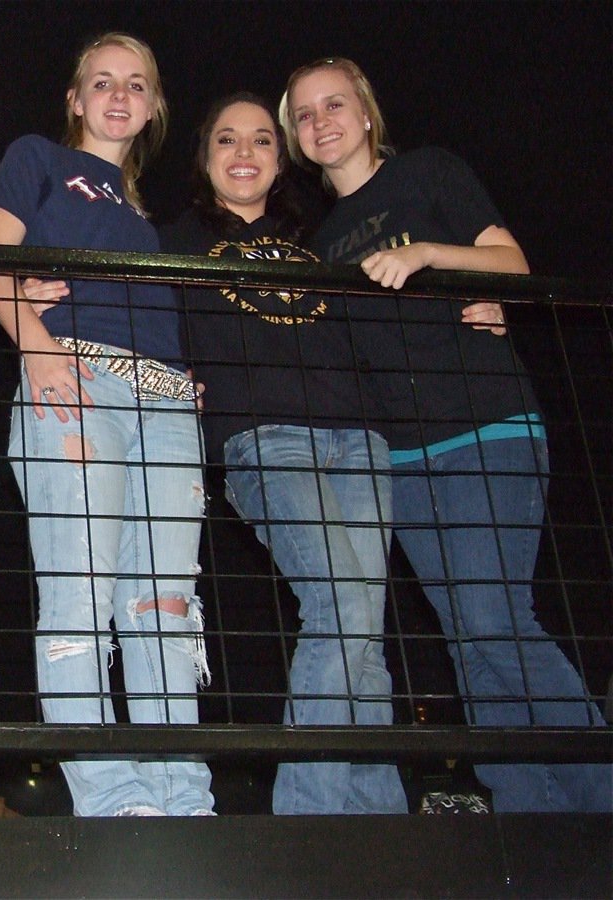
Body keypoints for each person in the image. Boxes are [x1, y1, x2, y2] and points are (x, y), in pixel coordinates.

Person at [281, 56, 612, 813]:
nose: (321, 121)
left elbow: (512, 262)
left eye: (334, 104)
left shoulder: (429, 172)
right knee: (466, 637)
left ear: (366, 114)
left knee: (497, 619)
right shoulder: (322, 238)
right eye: (304, 114)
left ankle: (600, 792)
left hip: (485, 426)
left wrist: (430, 256)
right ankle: (531, 814)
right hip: (402, 454)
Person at [0, 33, 214, 817]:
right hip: (76, 376)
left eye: (136, 85)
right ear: (75, 99)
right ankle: (112, 797)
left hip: (168, 404)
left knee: (165, 608)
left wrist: (183, 374)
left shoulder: (144, 212)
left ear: (151, 108)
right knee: (79, 595)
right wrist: (35, 345)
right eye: (102, 82)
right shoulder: (39, 156)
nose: (119, 95)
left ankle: (183, 797)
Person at [160, 93, 407, 814]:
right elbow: (134, 322)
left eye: (262, 140)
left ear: (280, 158)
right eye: (227, 141)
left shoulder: (321, 239)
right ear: (205, 161)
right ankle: (311, 812)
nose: (245, 153)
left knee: (362, 621)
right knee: (339, 601)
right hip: (263, 436)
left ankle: (381, 818)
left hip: (359, 436)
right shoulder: (174, 239)